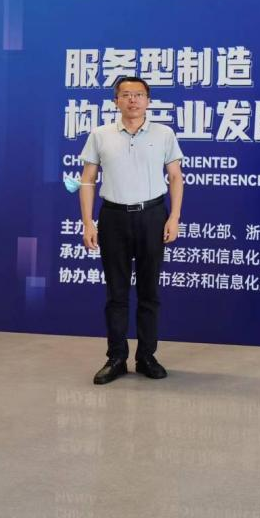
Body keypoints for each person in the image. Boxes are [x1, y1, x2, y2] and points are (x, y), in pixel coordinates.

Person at [79, 76, 184, 385]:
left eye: (138, 94)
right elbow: (87, 180)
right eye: (126, 94)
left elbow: (175, 177)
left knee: (149, 291)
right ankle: (116, 357)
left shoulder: (164, 134)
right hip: (113, 217)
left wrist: (174, 217)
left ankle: (147, 356)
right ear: (116, 101)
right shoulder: (100, 135)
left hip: (152, 215)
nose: (133, 100)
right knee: (116, 293)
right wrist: (88, 222)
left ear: (148, 100)